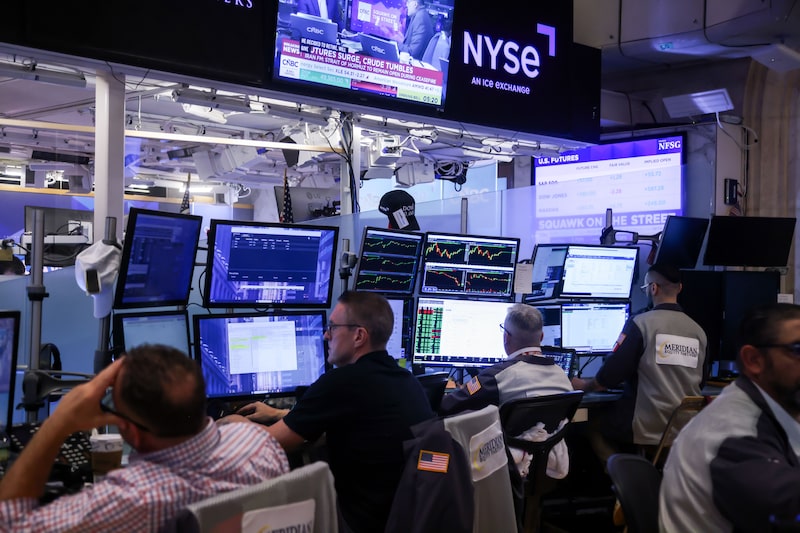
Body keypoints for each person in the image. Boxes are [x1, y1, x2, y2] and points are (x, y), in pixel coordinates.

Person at [0, 344, 289, 532]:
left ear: (132, 431)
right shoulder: (257, 443)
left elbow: (12, 523)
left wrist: (58, 423)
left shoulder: (137, 497)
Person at [231, 291, 434, 533]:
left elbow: (269, 443)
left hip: (361, 522)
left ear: (359, 335)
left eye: (333, 327)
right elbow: (352, 421)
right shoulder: (405, 379)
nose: (326, 334)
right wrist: (278, 414)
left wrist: (232, 423)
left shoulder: (341, 382)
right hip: (406, 515)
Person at [660, 303, 800, 531]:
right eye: (797, 349)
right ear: (754, 360)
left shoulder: (773, 411)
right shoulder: (731, 434)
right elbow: (788, 509)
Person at [571, 263, 708, 462]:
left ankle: (626, 480)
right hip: (684, 427)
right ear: (679, 288)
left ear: (653, 288)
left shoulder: (641, 323)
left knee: (590, 424)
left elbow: (608, 377)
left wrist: (584, 385)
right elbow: (701, 381)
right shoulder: (698, 331)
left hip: (647, 426)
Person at [439, 303, 573, 416]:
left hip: (507, 447)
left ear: (506, 338)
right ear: (541, 337)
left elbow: (447, 405)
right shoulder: (562, 376)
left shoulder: (497, 376)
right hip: (555, 447)